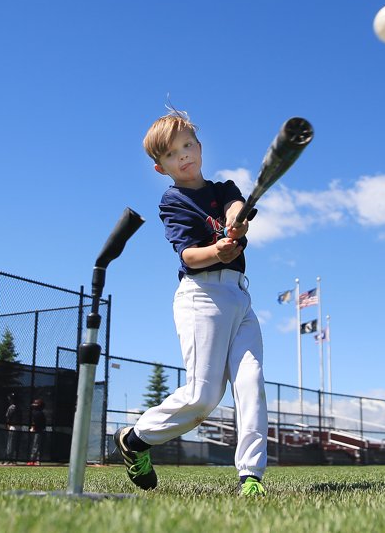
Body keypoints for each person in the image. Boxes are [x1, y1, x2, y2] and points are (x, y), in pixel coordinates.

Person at [114, 108, 268, 496]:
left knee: (251, 381)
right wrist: (218, 250)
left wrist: (236, 221)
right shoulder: (173, 201)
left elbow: (235, 208)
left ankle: (250, 476)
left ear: (200, 147)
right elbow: (188, 256)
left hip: (240, 297)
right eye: (171, 154)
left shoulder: (224, 189)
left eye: (187, 145)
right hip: (202, 298)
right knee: (203, 398)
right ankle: (135, 439)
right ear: (160, 168)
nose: (182, 155)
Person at [4, 393, 21, 464]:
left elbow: (8, 418)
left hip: (13, 427)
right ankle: (13, 460)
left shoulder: (11, 407)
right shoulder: (19, 407)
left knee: (10, 444)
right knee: (15, 444)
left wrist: (8, 427)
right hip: (18, 427)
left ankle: (9, 459)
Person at [28, 398, 46, 465]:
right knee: (37, 446)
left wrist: (33, 428)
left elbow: (35, 423)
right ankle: (36, 461)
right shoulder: (38, 413)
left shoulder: (38, 413)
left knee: (36, 446)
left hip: (38, 431)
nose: (34, 406)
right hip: (39, 431)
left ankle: (33, 460)